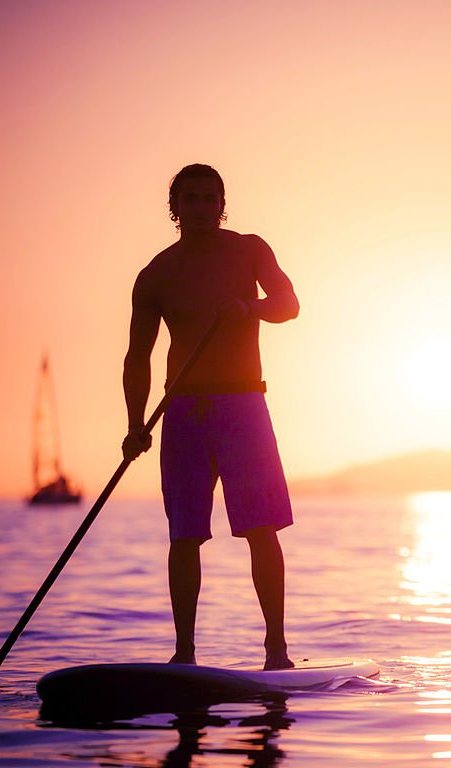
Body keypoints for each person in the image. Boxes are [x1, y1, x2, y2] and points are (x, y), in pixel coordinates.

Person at [122, 163, 299, 670]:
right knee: (184, 535)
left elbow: (289, 304)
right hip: (183, 410)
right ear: (174, 207)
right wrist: (135, 424)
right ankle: (184, 655)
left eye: (209, 199)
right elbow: (138, 355)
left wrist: (251, 307)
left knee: (260, 529)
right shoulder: (155, 274)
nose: (200, 208)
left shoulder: (250, 249)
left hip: (243, 405)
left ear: (223, 205)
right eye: (190, 199)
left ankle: (277, 653)